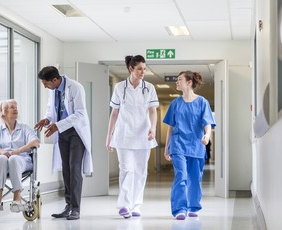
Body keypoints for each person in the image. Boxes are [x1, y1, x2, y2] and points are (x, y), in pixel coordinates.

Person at [34, 66, 93, 220]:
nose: (45, 86)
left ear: (55, 79)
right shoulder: (52, 90)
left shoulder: (76, 88)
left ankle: (76, 208)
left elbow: (80, 113)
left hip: (76, 132)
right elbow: (51, 109)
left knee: (74, 169)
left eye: (46, 83)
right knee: (66, 170)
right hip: (62, 132)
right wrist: (47, 119)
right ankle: (68, 206)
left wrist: (57, 125)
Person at [106, 55, 159, 219]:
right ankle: (124, 205)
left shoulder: (148, 87)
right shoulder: (120, 87)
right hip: (123, 135)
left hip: (144, 135)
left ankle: (136, 205)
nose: (143, 71)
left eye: (144, 68)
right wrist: (109, 136)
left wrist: (153, 129)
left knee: (141, 172)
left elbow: (152, 110)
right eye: (139, 69)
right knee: (127, 169)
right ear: (131, 69)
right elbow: (114, 113)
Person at [163, 71, 216, 220]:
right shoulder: (175, 103)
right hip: (178, 145)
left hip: (196, 145)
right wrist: (167, 146)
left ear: (189, 82)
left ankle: (193, 206)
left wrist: (207, 136)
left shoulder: (202, 102)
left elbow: (207, 124)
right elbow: (170, 127)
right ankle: (179, 209)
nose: (177, 82)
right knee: (181, 175)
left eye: (179, 79)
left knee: (194, 178)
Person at [0, 99, 40, 206]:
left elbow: (35, 142)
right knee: (1, 158)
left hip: (22, 162)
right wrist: (0, 150)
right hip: (2, 164)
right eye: (11, 107)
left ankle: (17, 198)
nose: (15, 109)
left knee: (13, 158)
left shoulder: (24, 128)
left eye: (16, 107)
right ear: (3, 112)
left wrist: (18, 151)